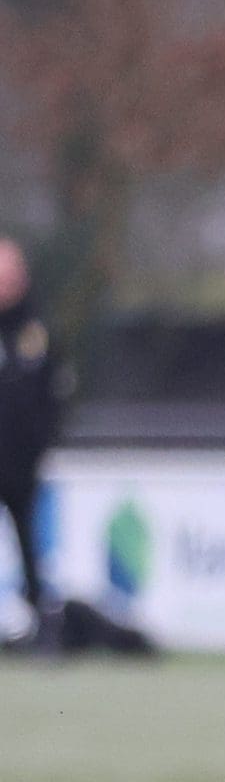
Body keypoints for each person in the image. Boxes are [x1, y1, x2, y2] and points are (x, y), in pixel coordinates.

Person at [0, 236, 64, 648]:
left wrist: (36, 449)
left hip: (20, 464)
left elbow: (52, 397)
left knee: (31, 552)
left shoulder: (35, 329)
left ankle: (44, 631)